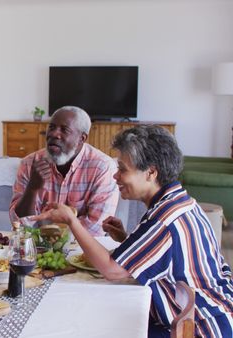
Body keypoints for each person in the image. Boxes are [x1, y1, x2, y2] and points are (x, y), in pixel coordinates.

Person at [34, 125, 233, 337]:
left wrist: (72, 221)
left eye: (122, 169)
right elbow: (165, 256)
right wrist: (125, 239)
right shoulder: (181, 202)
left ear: (151, 173)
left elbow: (112, 271)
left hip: (201, 327)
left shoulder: (163, 220)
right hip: (215, 309)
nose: (115, 176)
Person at [10, 106, 119, 235]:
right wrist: (32, 189)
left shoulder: (103, 167)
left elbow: (96, 227)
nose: (54, 134)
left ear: (82, 138)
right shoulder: (29, 163)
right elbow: (19, 223)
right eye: (51, 127)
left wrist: (56, 240)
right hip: (37, 246)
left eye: (64, 130)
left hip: (82, 249)